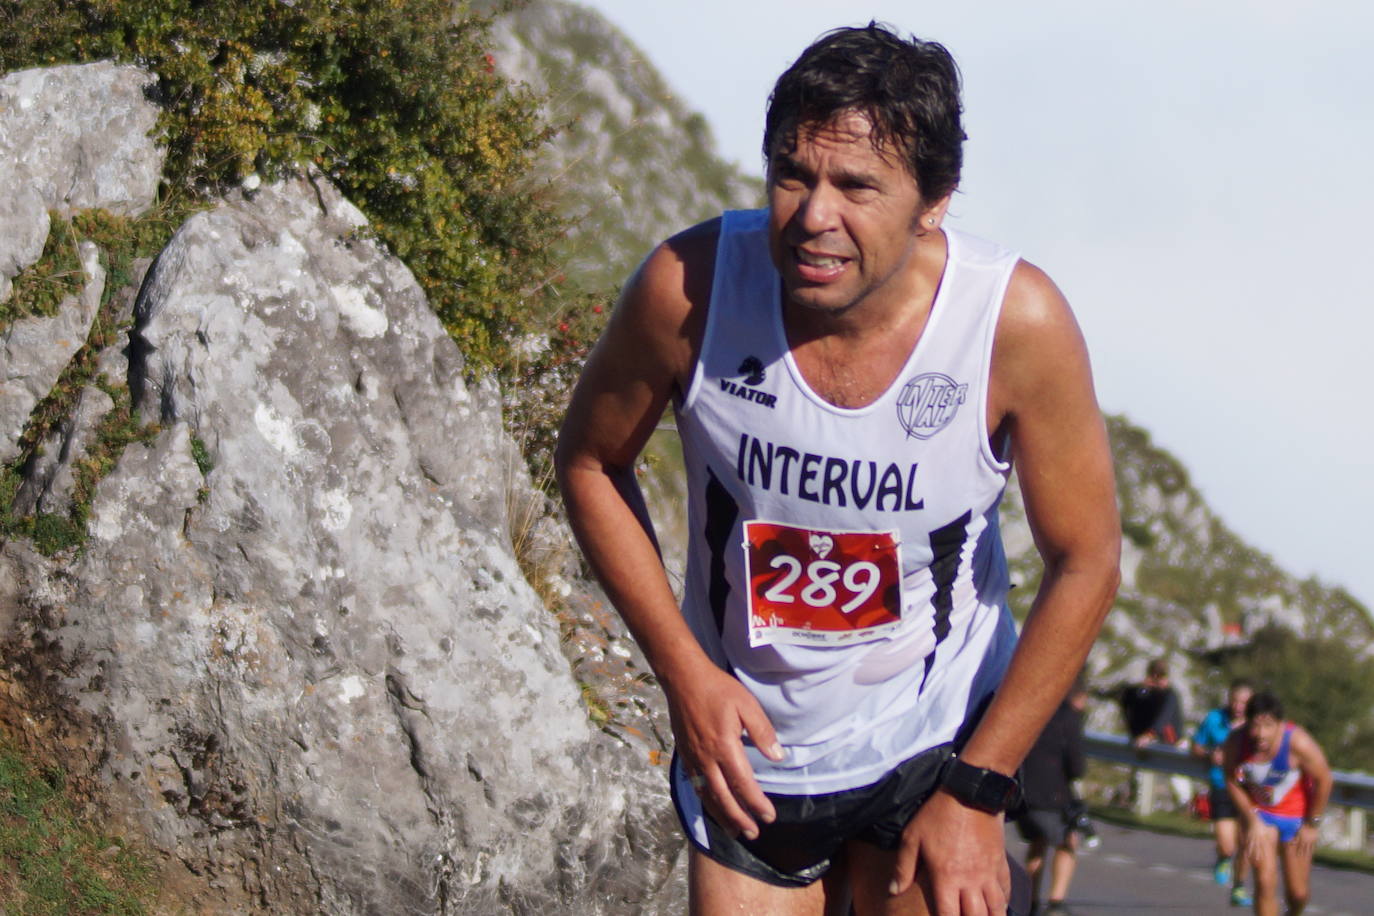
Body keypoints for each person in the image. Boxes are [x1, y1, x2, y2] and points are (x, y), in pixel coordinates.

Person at [555, 22, 1121, 915]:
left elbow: (1087, 559)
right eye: (792, 174)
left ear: (933, 200)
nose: (815, 216)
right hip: (754, 751)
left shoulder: (1012, 324)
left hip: (934, 744)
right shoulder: (686, 286)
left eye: (857, 186)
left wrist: (980, 787)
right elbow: (589, 462)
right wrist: (684, 674)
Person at [1223, 691, 1333, 916]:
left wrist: (1312, 825)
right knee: (1264, 882)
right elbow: (1231, 780)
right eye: (1255, 726)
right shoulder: (1237, 741)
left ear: (1280, 724)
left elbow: (1324, 779)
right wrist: (1251, 819)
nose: (1260, 734)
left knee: (1298, 894)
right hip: (1261, 816)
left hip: (1296, 818)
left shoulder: (1297, 742)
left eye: (1268, 726)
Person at [1013, 680, 1090, 915]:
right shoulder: (1068, 717)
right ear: (1079, 697)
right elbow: (1076, 764)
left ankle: (1031, 900)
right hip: (1052, 794)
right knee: (1067, 842)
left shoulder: (1034, 709)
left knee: (1037, 843)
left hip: (1024, 791)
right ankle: (1056, 902)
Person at [1190, 678, 1254, 905]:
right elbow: (1196, 746)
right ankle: (1224, 857)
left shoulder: (1256, 724)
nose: (1238, 707)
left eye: (1244, 703)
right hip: (1221, 785)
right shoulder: (1215, 719)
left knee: (1248, 841)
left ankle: (1238, 888)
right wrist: (1210, 755)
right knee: (1228, 842)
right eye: (1235, 701)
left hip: (1249, 789)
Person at [1121, 658, 1182, 748]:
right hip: (1143, 740)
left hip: (1169, 743)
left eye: (1162, 677)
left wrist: (1149, 735)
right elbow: (1126, 701)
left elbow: (1164, 717)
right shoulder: (1141, 692)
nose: (1159, 682)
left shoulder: (1170, 695)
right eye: (1155, 677)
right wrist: (1142, 689)